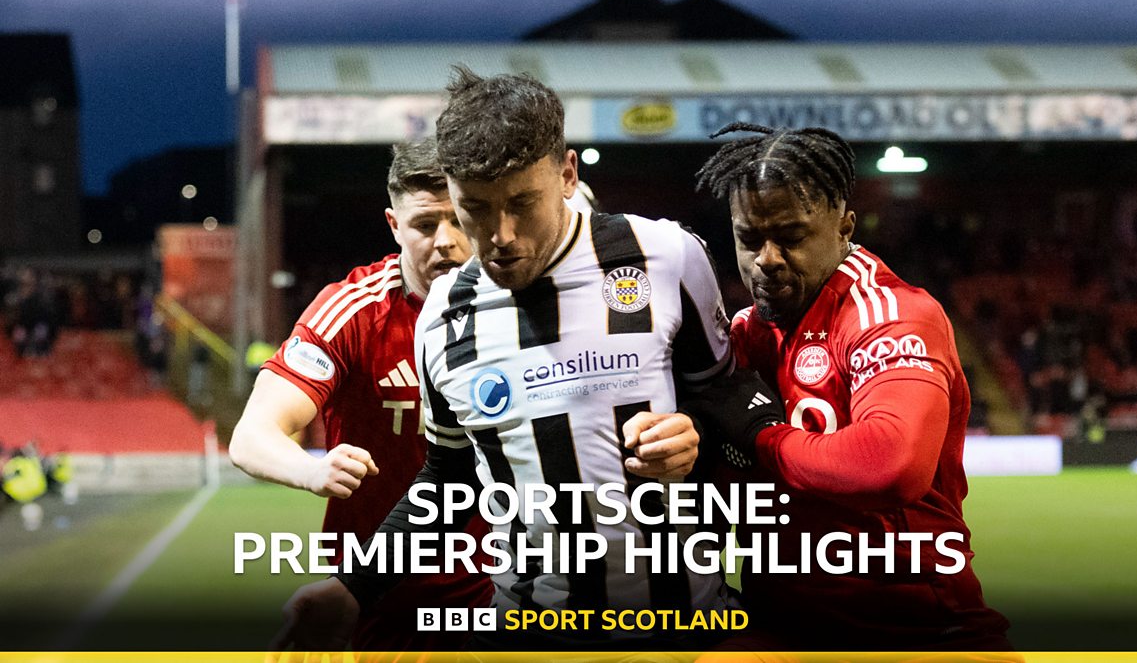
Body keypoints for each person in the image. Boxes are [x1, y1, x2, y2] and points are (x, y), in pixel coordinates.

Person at [271, 67, 739, 653]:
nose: (501, 236)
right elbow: (449, 475)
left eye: (522, 203)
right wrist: (354, 588)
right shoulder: (444, 314)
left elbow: (731, 407)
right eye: (477, 209)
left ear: (567, 174)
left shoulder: (665, 257)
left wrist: (697, 437)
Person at [686, 122, 1012, 651]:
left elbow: (892, 464)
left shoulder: (891, 315)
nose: (766, 259)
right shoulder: (744, 335)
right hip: (782, 632)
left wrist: (762, 437)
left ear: (844, 225)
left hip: (918, 637)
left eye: (791, 237)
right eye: (749, 239)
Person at [229, 139, 492, 652]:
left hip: (506, 592)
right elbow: (251, 435)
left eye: (460, 220)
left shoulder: (516, 302)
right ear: (394, 225)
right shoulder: (353, 311)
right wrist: (310, 470)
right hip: (383, 597)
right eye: (425, 225)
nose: (446, 241)